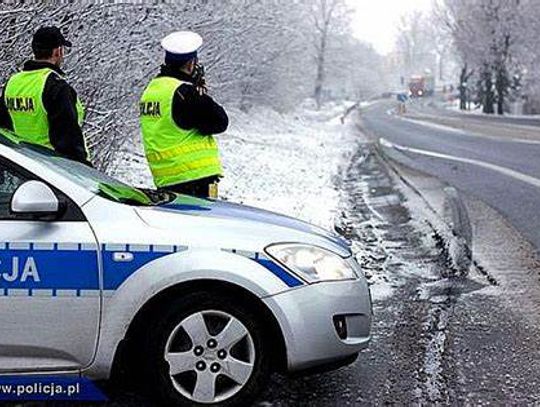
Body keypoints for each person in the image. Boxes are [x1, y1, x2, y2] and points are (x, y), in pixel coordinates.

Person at [139, 31, 228, 199]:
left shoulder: (152, 90)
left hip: (165, 178)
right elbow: (220, 121)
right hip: (194, 178)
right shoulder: (184, 92)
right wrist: (198, 90)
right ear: (190, 64)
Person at [0, 26, 90, 165]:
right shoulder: (56, 87)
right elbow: (68, 140)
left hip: (22, 166)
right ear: (57, 51)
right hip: (53, 168)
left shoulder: (12, 83)